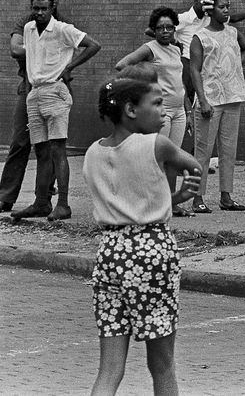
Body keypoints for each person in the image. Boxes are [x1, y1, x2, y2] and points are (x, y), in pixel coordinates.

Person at [85, 68, 202, 396]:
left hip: (110, 251)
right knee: (162, 363)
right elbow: (193, 164)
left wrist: (169, 198)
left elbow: (128, 195)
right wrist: (184, 191)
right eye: (157, 104)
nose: (164, 112)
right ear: (131, 110)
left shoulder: (93, 152)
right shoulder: (156, 145)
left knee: (109, 369)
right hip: (151, 249)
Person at [11, 0, 101, 222]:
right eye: (36, 8)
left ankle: (63, 204)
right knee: (40, 150)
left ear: (52, 8)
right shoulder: (29, 29)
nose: (39, 13)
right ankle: (41, 202)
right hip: (34, 92)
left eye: (44, 8)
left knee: (57, 149)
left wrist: (70, 68)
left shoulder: (63, 29)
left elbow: (93, 45)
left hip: (55, 91)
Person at [115, 8, 191, 217]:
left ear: (175, 28)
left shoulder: (176, 49)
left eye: (169, 27)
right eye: (160, 28)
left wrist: (188, 107)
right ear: (153, 30)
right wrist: (142, 89)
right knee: (155, 157)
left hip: (179, 111)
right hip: (160, 111)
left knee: (173, 158)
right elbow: (122, 65)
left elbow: (179, 81)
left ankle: (171, 202)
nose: (165, 31)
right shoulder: (149, 49)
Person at [0, 0, 61, 213]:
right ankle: (6, 195)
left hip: (54, 87)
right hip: (29, 86)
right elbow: (15, 49)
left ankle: (43, 198)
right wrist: (43, 48)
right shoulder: (26, 23)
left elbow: (76, 46)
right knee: (19, 141)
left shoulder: (62, 23)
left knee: (51, 145)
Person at [188, 0, 245, 214]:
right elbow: (194, 69)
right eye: (222, 7)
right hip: (210, 100)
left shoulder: (233, 32)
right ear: (210, 10)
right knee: (203, 151)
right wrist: (203, 100)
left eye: (227, 6)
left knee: (228, 150)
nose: (227, 10)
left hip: (233, 96)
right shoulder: (200, 37)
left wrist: (234, 67)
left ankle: (226, 196)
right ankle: (197, 197)